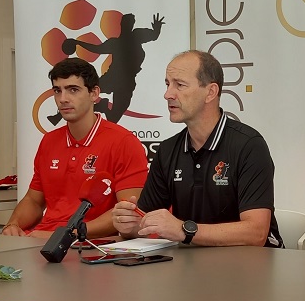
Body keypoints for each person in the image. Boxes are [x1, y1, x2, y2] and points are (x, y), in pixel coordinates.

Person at [112, 50, 283, 247]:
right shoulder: (167, 150)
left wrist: (184, 230)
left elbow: (256, 233)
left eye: (180, 85)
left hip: (251, 267)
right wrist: (128, 225)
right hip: (193, 266)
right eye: (168, 84)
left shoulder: (249, 145)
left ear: (210, 92)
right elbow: (143, 222)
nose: (168, 94)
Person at [3, 58, 148, 238]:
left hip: (91, 244)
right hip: (42, 240)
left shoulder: (124, 142)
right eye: (57, 91)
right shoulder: (49, 141)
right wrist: (13, 224)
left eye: (73, 90)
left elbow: (128, 213)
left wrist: (67, 234)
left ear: (94, 93)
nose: (63, 99)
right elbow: (34, 200)